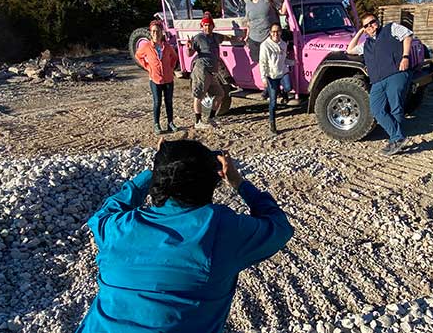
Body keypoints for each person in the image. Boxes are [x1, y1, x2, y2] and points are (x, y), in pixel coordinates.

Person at [76, 139, 294, 333]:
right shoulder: (220, 229)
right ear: (211, 182)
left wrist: (159, 169)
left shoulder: (117, 228)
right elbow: (279, 226)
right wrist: (239, 183)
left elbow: (107, 210)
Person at [345, 13, 415, 155]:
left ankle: (395, 140)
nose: (370, 26)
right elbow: (350, 49)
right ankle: (398, 137)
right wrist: (360, 32)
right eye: (366, 25)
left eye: (372, 22)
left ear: (377, 21)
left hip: (396, 74)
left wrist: (405, 57)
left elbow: (407, 35)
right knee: (376, 109)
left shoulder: (391, 29)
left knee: (396, 108)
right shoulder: (366, 44)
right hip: (377, 81)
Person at [134, 20, 178, 134]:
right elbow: (138, 56)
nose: (155, 33)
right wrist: (147, 66)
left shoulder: (167, 46)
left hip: (168, 79)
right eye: (153, 31)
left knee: (169, 102)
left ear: (162, 32)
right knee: (157, 102)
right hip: (155, 79)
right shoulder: (147, 46)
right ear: (150, 32)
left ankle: (170, 123)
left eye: (158, 31)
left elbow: (174, 57)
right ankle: (156, 124)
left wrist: (171, 68)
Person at [245, 0, 285, 98]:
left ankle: (272, 89)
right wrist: (247, 36)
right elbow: (248, 22)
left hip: (268, 38)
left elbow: (282, 11)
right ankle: (268, 87)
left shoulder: (267, 2)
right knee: (261, 65)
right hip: (254, 39)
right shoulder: (248, 4)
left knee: (272, 64)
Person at [188, 12, 226, 129]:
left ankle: (211, 118)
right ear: (202, 26)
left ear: (213, 26)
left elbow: (226, 37)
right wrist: (188, 47)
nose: (207, 27)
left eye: (209, 25)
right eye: (205, 25)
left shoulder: (215, 36)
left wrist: (241, 36)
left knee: (220, 94)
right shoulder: (198, 38)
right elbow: (190, 53)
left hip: (211, 71)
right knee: (199, 95)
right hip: (202, 69)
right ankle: (198, 121)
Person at [259, 23, 294, 135]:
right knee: (273, 102)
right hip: (272, 75)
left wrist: (293, 62)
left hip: (282, 71)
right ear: (270, 32)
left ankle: (283, 93)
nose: (275, 34)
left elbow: (284, 59)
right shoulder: (265, 45)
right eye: (273, 31)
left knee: (288, 87)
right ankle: (272, 124)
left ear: (280, 32)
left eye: (277, 31)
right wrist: (264, 78)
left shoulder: (283, 44)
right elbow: (262, 63)